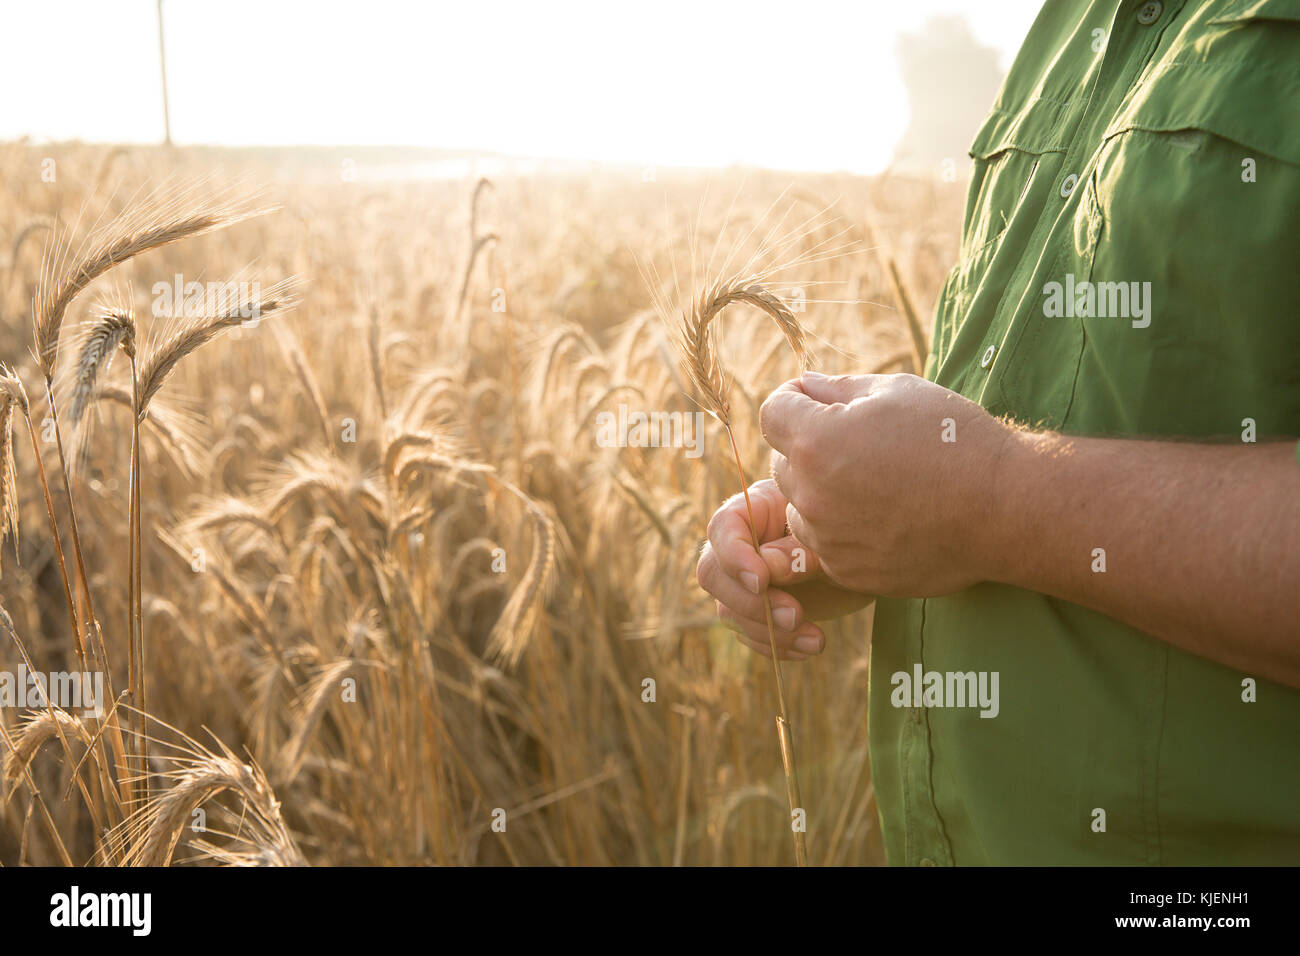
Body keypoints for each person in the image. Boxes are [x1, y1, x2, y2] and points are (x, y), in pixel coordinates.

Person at [696, 0, 1300, 865]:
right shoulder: (1070, 28)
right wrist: (836, 523)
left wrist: (991, 499)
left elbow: (1001, 484)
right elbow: (1070, 402)